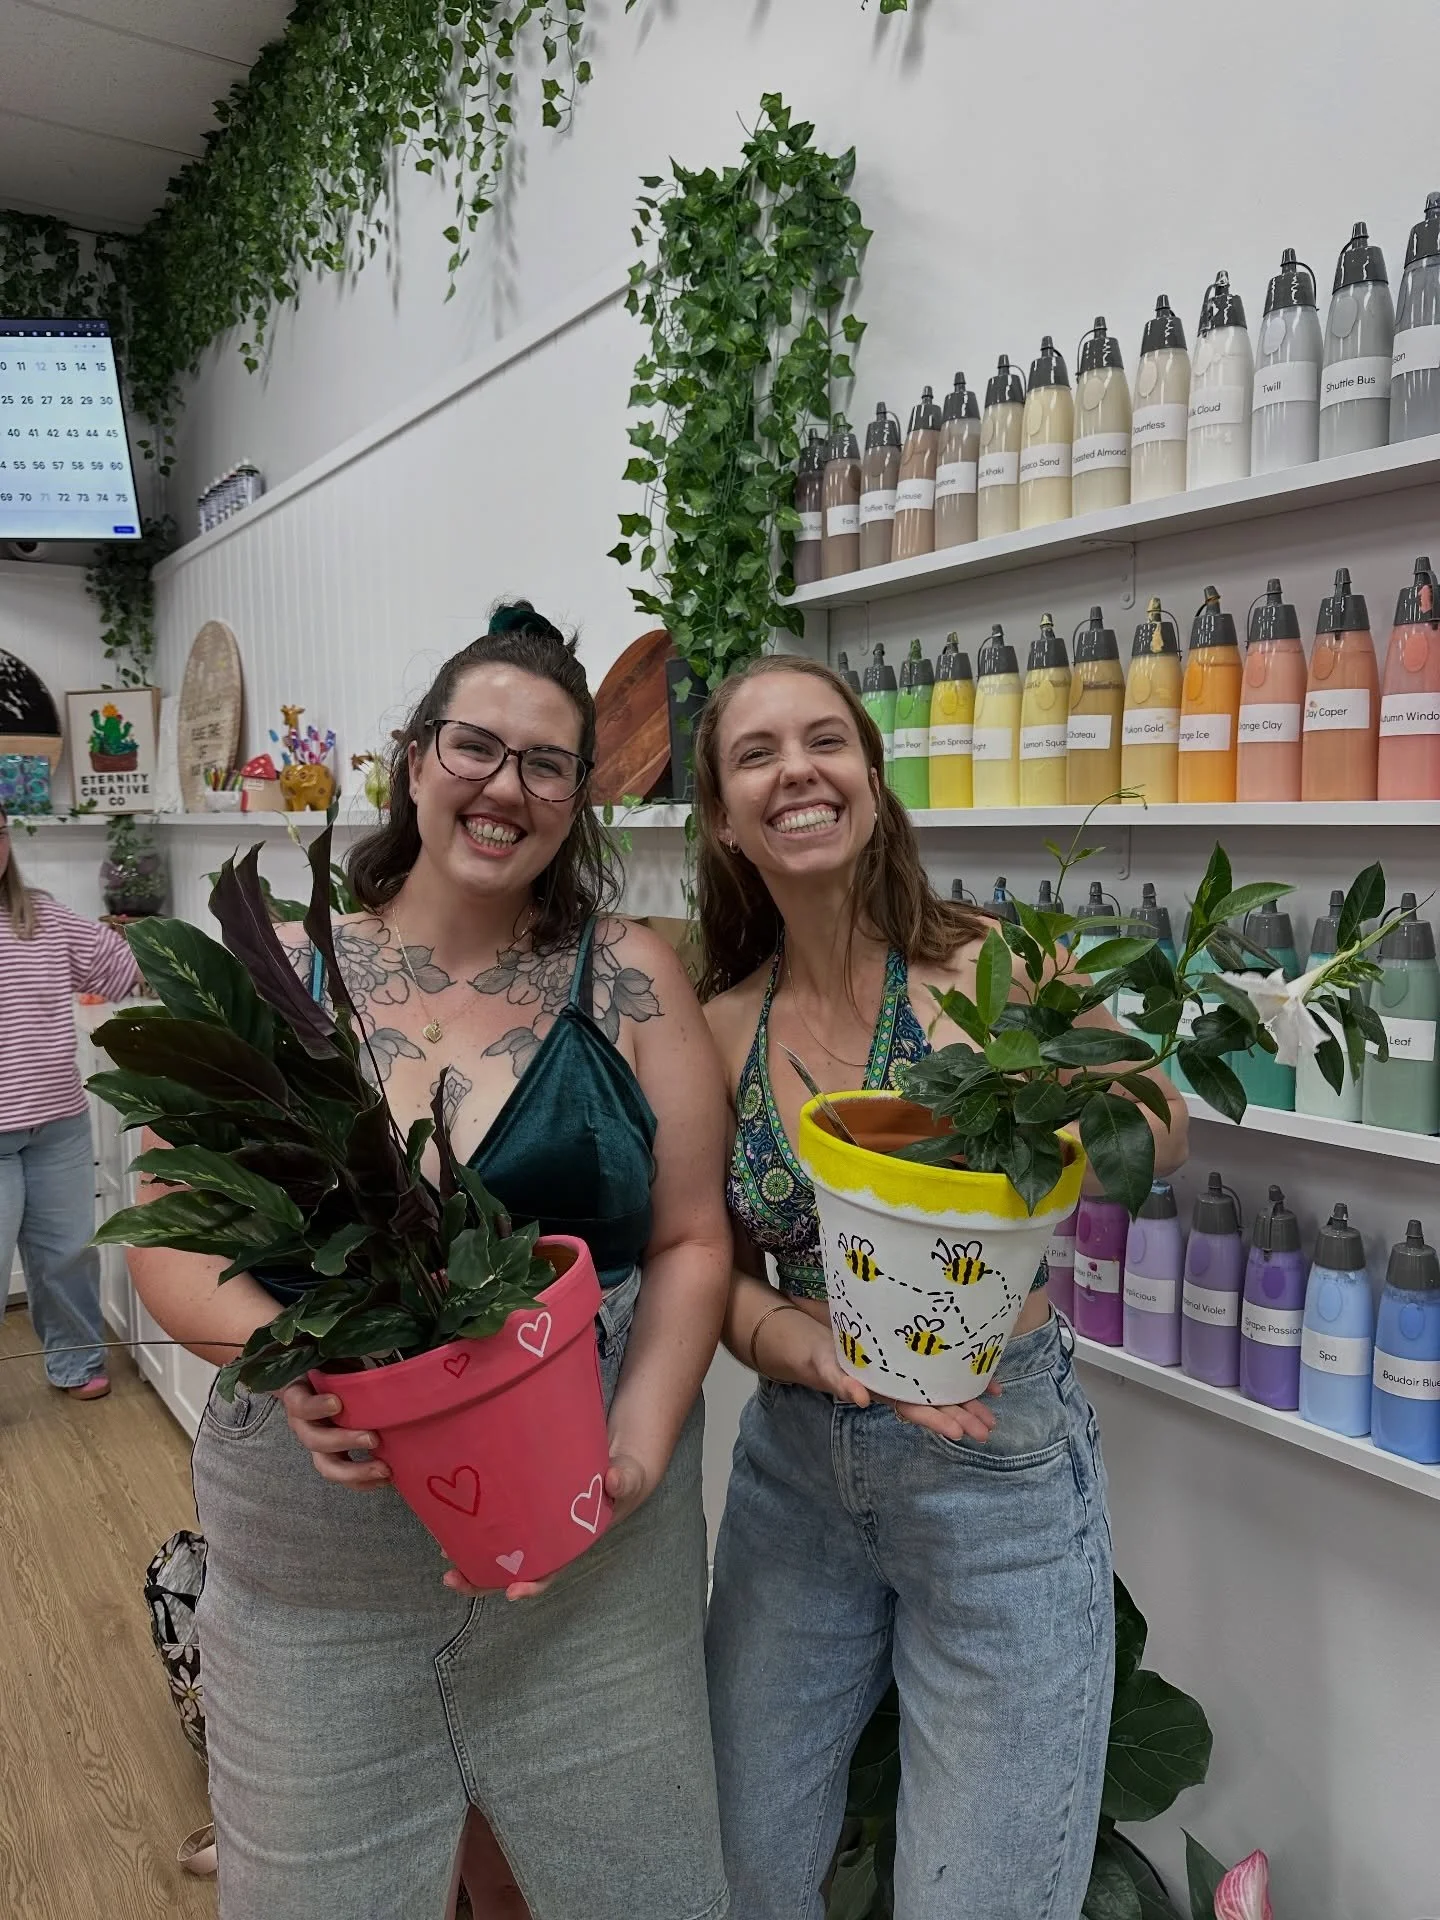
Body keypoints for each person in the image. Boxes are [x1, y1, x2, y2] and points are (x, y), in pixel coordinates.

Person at [126, 605, 733, 1920]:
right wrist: (281, 1361)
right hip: (318, 1582)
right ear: (412, 758)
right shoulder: (277, 973)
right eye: (476, 744)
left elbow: (692, 1240)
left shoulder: (626, 979)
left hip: (592, 1570)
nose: (504, 785)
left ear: (579, 798)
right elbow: (168, 1236)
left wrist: (634, 1445)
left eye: (547, 763)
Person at [696, 656, 1189, 1920]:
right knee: (742, 1874)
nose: (797, 770)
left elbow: (1162, 1130)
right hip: (798, 1473)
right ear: (720, 815)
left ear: (872, 776)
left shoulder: (989, 968)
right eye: (757, 754)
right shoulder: (715, 1026)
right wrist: (799, 1347)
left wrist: (1070, 1091)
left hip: (997, 1462)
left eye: (826, 742)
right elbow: (721, 1281)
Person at [0, 803, 139, 1397]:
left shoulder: (42, 916)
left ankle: (76, 1363)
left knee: (68, 1256)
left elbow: (123, 967)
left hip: (57, 1124)